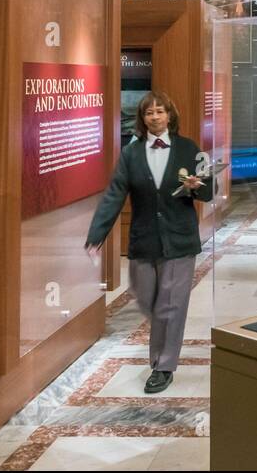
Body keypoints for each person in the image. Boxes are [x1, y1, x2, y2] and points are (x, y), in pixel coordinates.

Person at [84, 91, 211, 394]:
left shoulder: (187, 149)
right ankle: (163, 345)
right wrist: (96, 235)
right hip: (144, 240)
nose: (154, 117)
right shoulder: (132, 153)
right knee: (146, 299)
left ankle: (162, 365)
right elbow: (115, 193)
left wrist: (197, 187)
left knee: (171, 304)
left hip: (179, 240)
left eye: (160, 112)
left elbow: (208, 191)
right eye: (148, 113)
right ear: (142, 120)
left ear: (170, 115)